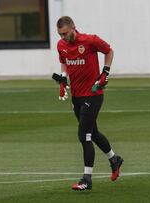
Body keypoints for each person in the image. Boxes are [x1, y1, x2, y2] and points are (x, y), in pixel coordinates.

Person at [53, 16, 124, 191]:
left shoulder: (90, 40)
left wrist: (105, 73)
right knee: (94, 132)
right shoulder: (61, 45)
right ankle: (114, 159)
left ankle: (87, 178)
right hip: (76, 97)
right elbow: (64, 62)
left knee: (84, 134)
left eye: (65, 33)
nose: (63, 37)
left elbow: (109, 51)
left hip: (93, 94)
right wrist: (63, 80)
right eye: (60, 34)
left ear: (73, 28)